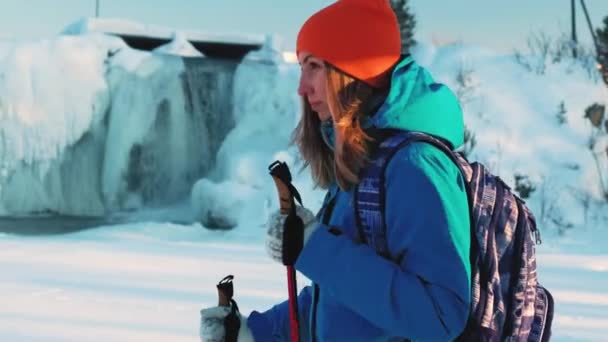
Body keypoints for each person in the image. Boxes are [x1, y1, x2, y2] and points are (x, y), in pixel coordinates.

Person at [200, 0, 471, 340]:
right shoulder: (368, 164)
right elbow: (342, 299)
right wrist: (252, 332)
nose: (301, 86)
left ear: (353, 72)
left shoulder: (414, 166)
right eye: (301, 66)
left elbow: (439, 315)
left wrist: (314, 247)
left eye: (314, 66)